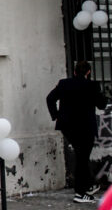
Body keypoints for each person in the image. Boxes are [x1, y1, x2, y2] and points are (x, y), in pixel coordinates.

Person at [46, 59, 108, 204]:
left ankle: (89, 185)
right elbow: (102, 105)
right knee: (82, 158)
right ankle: (80, 192)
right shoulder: (92, 85)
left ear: (74, 72)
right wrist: (100, 94)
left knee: (81, 156)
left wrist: (56, 115)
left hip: (68, 127)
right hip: (85, 128)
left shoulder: (63, 84)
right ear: (88, 72)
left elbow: (50, 98)